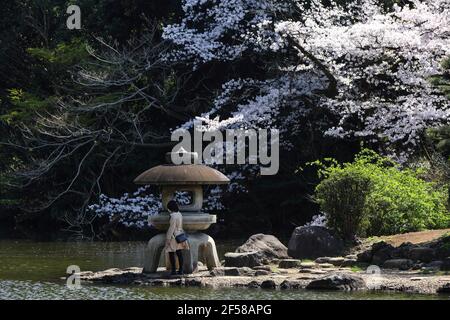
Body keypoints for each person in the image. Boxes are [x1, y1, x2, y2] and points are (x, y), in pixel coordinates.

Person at [165, 200, 189, 275]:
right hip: (180, 234)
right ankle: (181, 270)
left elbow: (171, 228)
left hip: (174, 236)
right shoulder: (179, 214)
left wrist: (168, 238)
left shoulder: (172, 216)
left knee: (171, 253)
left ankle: (173, 270)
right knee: (179, 253)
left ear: (170, 208)